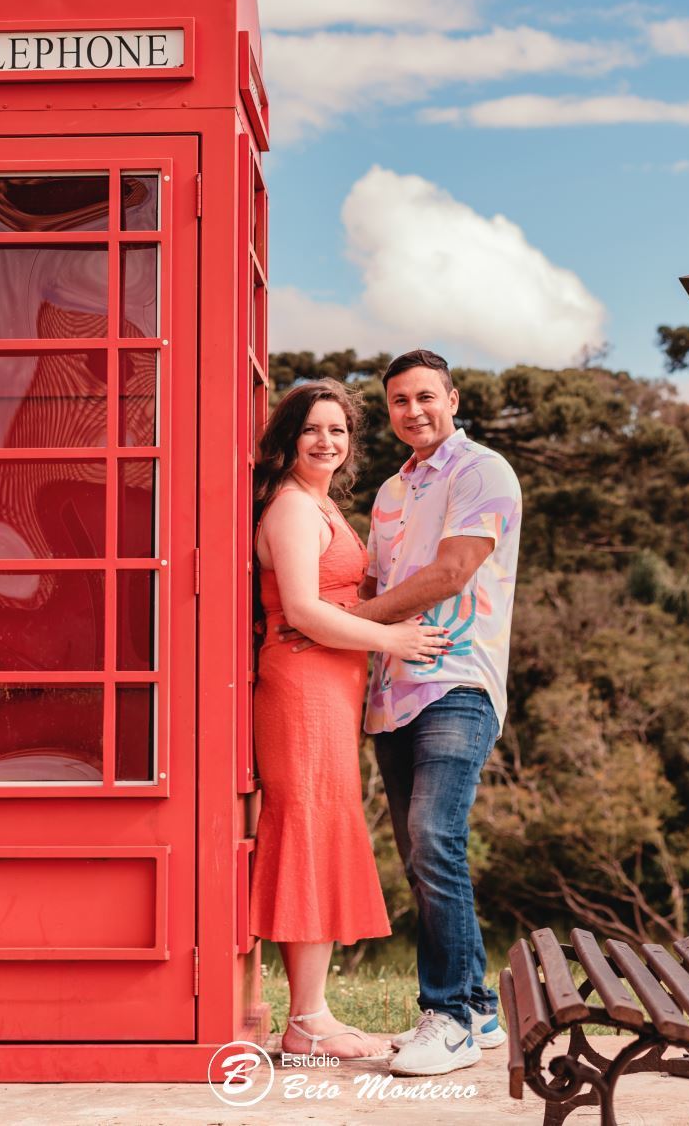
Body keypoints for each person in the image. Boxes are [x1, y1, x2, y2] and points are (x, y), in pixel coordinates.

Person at [316, 349, 522, 1076]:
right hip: (390, 692)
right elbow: (371, 572)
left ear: (453, 398)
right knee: (418, 850)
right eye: (399, 401)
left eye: (425, 397)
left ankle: (451, 1017)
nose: (414, 411)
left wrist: (346, 622)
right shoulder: (389, 494)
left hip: (458, 682)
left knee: (436, 835)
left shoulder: (482, 473)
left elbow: (450, 572)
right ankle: (480, 1009)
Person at [249, 377, 450, 1060]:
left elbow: (340, 593)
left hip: (330, 684)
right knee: (305, 831)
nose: (327, 441)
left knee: (324, 830)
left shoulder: (321, 504)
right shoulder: (292, 510)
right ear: (289, 437)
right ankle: (304, 1019)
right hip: (302, 683)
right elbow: (303, 609)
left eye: (339, 431)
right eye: (313, 429)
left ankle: (312, 1013)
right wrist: (391, 638)